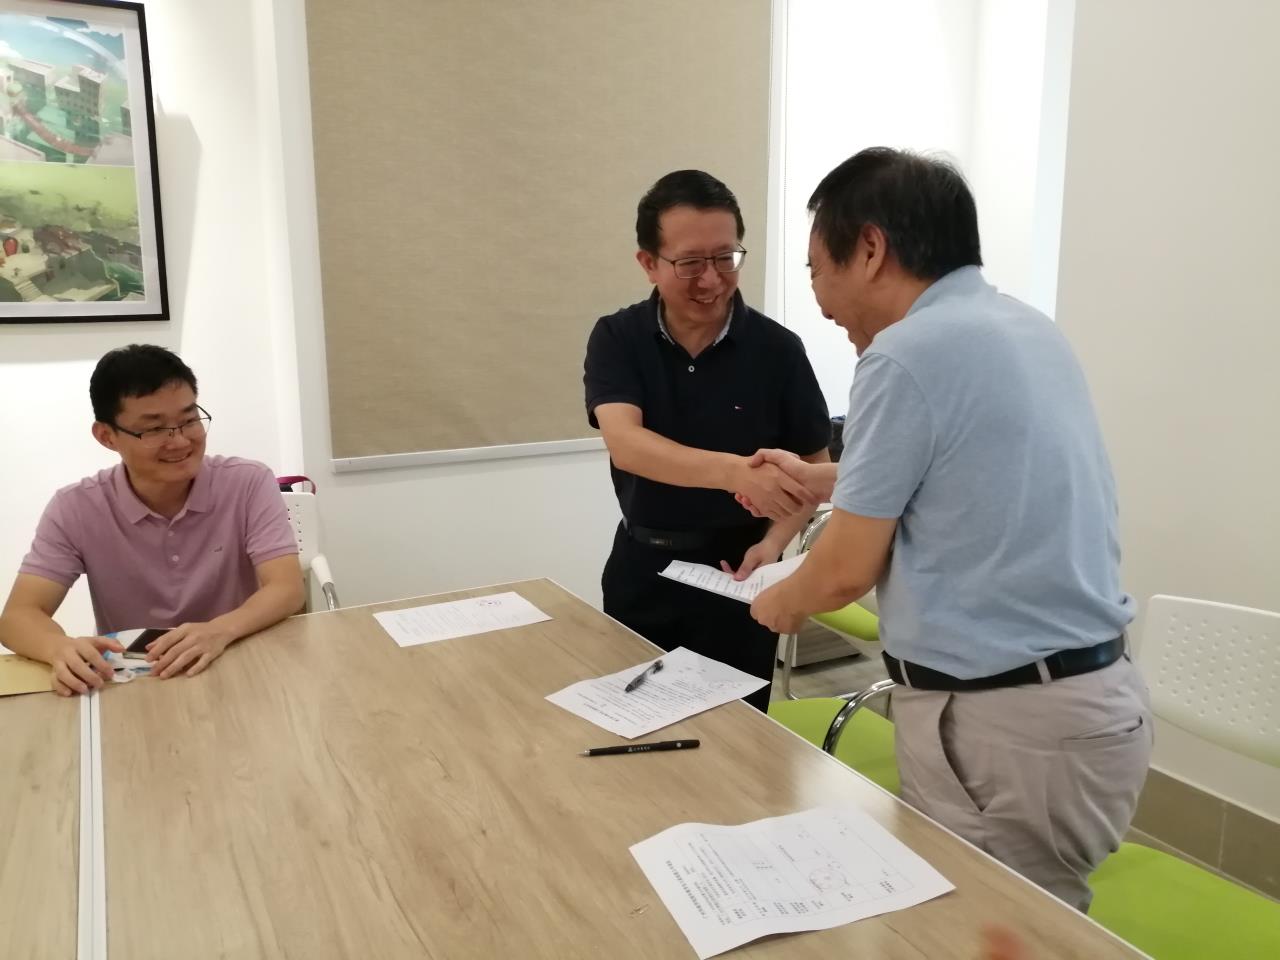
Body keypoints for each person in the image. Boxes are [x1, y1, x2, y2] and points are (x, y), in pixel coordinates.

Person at [748, 148, 1152, 909]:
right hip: (1082, 702)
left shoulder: (905, 354)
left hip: (1008, 724)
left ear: (870, 249)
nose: (820, 298)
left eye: (814, 268)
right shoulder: (1023, 326)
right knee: (1017, 925)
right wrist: (823, 477)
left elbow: (842, 573)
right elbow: (963, 475)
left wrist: (776, 598)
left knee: (993, 932)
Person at [584, 170, 830, 711]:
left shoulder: (778, 350)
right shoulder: (618, 338)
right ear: (648, 262)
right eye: (690, 263)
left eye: (726, 258)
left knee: (741, 738)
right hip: (643, 569)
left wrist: (773, 544)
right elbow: (627, 444)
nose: (712, 280)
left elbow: (813, 468)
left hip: (740, 575)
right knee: (635, 718)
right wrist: (733, 472)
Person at [0, 344, 304, 696]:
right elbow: (18, 616)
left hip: (236, 659)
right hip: (138, 682)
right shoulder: (76, 507)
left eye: (189, 420)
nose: (180, 441)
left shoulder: (247, 482)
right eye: (154, 429)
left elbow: (287, 588)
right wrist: (59, 648)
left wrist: (220, 630)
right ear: (106, 436)